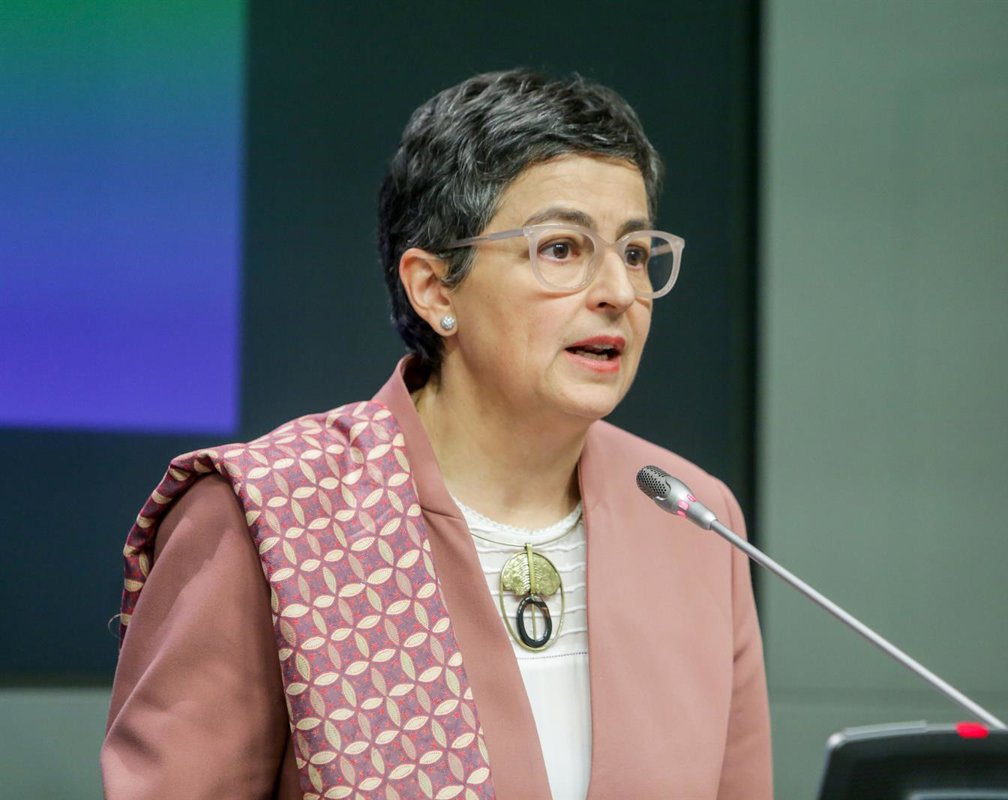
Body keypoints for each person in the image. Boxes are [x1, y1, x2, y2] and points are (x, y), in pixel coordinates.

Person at [102, 69, 771, 799]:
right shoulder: (269, 515)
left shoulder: (691, 518)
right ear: (433, 287)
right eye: (562, 248)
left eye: (635, 252)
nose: (617, 291)